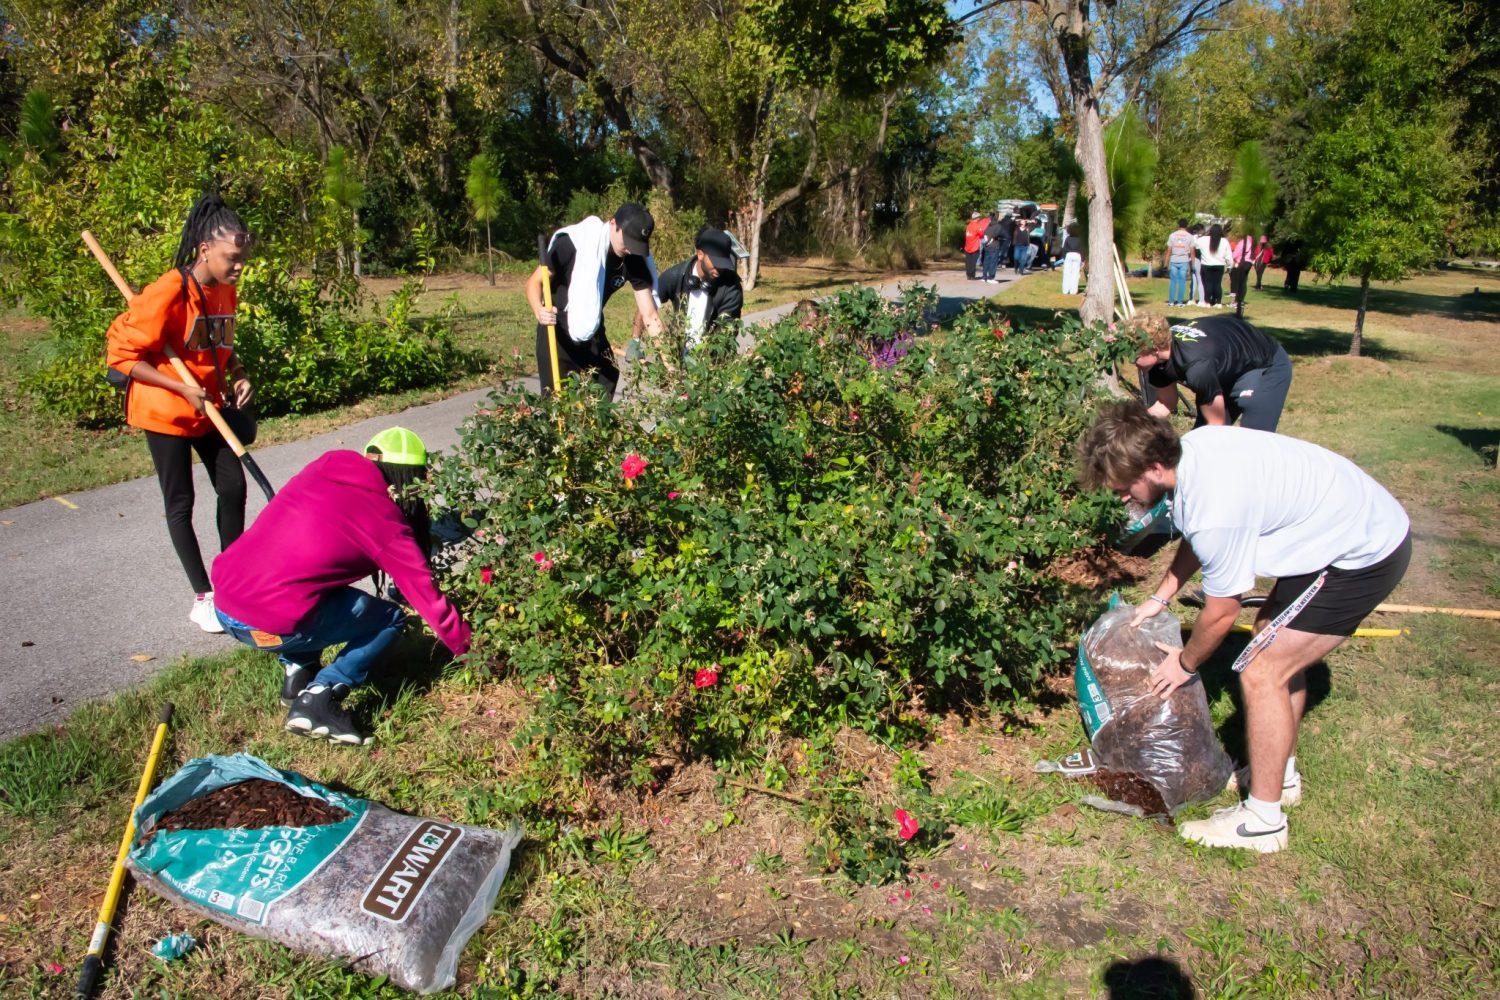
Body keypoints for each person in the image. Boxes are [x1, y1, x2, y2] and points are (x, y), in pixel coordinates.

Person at [1077, 403, 1411, 852]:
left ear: (1154, 467)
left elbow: (1220, 613)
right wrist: (1162, 595)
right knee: (1268, 641)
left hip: (1361, 553)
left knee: (1261, 670)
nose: (1122, 497)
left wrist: (1186, 663)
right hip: (1338, 523)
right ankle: (1281, 774)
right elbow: (1198, 536)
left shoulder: (1217, 506)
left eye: (1124, 487)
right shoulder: (1195, 448)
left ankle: (1263, 822)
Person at [212, 428, 472, 745]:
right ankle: (319, 699)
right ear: (407, 479)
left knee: (313, 586)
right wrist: (472, 652)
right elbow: (427, 600)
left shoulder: (322, 470)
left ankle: (297, 675)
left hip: (226, 607)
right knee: (389, 619)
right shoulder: (383, 520)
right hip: (271, 622)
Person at [106, 193, 255, 634]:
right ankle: (204, 597)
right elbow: (121, 357)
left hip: (209, 407)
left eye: (242, 259)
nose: (239, 267)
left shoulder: (225, 288)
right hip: (164, 410)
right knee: (181, 503)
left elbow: (218, 344)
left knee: (233, 486)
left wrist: (239, 371)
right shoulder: (170, 289)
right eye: (232, 258)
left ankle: (235, 581)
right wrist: (177, 386)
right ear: (205, 249)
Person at [526, 203, 663, 399]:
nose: (631, 250)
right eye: (628, 241)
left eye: (637, 245)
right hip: (556, 330)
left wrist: (670, 363)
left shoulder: (633, 257)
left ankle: (596, 427)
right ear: (614, 224)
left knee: (606, 378)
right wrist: (539, 310)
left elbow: (650, 315)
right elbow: (534, 282)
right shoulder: (574, 243)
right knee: (558, 402)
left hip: (592, 325)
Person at [1128, 311, 1293, 432]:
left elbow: (1217, 426)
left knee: (1252, 441)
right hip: (1226, 365)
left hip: (1266, 363)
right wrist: (1132, 425)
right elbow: (1166, 403)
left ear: (1154, 348)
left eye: (1134, 352)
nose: (1130, 359)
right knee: (1200, 437)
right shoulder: (1158, 362)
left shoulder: (1197, 366)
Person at [652, 226, 744, 353]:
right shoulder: (676, 275)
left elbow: (726, 334)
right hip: (677, 353)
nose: (719, 268)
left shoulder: (731, 288)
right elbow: (648, 304)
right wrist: (636, 340)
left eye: (723, 263)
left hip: (710, 359)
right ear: (700, 254)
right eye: (716, 262)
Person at [1196, 223, 1233, 308]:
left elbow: (1195, 244)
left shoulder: (1203, 239)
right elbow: (1228, 255)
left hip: (1206, 264)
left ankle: (1207, 302)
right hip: (1219, 265)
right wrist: (1230, 266)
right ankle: (1218, 302)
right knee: (1217, 283)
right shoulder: (1224, 241)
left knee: (1208, 283)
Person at [1165, 219, 1194, 306]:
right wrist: (1192, 264)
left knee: (1173, 281)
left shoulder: (1172, 235)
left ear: (1178, 225)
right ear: (1187, 226)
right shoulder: (1190, 236)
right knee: (1182, 282)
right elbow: (1192, 252)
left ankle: (1171, 301)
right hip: (1184, 260)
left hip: (1174, 260)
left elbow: (1169, 250)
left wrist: (1166, 262)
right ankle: (1180, 302)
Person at [1228, 227, 1256, 314]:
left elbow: (1236, 253)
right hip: (1249, 262)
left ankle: (1237, 301)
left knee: (1238, 282)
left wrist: (1233, 258)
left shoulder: (1244, 242)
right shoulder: (1253, 242)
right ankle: (1241, 300)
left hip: (1242, 262)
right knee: (1244, 282)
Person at [1060, 223, 1085, 295]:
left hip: (1069, 255)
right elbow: (1082, 249)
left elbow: (1064, 249)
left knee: (1067, 273)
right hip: (1077, 255)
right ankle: (1073, 291)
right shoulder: (1080, 239)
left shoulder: (1068, 239)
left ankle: (1065, 290)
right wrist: (1083, 260)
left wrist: (1064, 257)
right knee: (1075, 273)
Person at [980, 212, 1004, 284]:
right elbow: (997, 234)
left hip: (987, 245)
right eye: (1001, 216)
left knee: (986, 261)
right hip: (994, 245)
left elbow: (984, 234)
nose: (1002, 217)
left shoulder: (989, 225)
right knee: (993, 262)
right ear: (997, 217)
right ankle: (991, 277)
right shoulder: (999, 226)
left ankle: (984, 277)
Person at [963, 212, 986, 280]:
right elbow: (981, 234)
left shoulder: (968, 225)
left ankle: (968, 275)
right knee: (973, 262)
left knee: (968, 261)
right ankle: (972, 275)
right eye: (979, 217)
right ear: (977, 218)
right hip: (974, 246)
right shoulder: (977, 226)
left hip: (967, 246)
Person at [1188, 222, 1207, 307]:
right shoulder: (1200, 239)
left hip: (1191, 260)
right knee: (1200, 280)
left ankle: (1191, 299)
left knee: (1194, 280)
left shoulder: (1191, 237)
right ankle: (1201, 300)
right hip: (1198, 259)